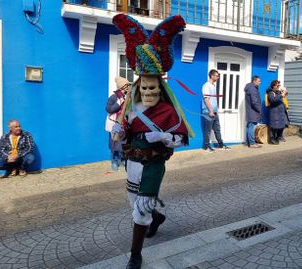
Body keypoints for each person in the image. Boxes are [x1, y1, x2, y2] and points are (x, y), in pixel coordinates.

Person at [112, 14, 193, 269]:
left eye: (152, 88)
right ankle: (157, 218)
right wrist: (119, 131)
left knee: (141, 207)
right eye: (144, 88)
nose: (148, 93)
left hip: (154, 164)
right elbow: (123, 130)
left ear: (160, 86)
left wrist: (163, 136)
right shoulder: (130, 107)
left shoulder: (169, 112)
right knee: (135, 205)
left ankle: (135, 255)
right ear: (139, 86)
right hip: (132, 163)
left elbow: (181, 139)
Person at [106, 76, 131, 170]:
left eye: (128, 85)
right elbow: (108, 109)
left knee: (124, 143)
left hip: (124, 125)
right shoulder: (113, 97)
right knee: (114, 143)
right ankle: (114, 161)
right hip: (113, 125)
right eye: (127, 85)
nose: (128, 87)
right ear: (121, 87)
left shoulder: (128, 96)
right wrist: (119, 103)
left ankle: (124, 159)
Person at [201, 69, 229, 152]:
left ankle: (221, 145)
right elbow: (206, 99)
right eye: (217, 76)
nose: (218, 77)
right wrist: (211, 111)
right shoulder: (206, 86)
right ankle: (206, 147)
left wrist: (215, 111)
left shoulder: (213, 86)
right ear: (212, 76)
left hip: (214, 112)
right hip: (208, 112)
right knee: (208, 130)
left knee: (217, 129)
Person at [265, 80, 288, 144]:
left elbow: (282, 97)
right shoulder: (270, 92)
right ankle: (272, 139)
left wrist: (284, 92)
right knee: (274, 126)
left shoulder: (278, 92)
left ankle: (278, 137)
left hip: (280, 112)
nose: (279, 86)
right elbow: (273, 99)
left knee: (282, 124)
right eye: (278, 85)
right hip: (274, 112)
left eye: (279, 85)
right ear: (274, 86)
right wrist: (281, 95)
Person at [244, 75, 262, 148]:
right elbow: (254, 102)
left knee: (249, 126)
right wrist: (259, 110)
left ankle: (248, 142)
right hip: (253, 111)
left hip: (250, 111)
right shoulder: (252, 89)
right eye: (259, 81)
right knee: (251, 126)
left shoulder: (250, 87)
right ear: (254, 81)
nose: (260, 82)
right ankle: (252, 143)